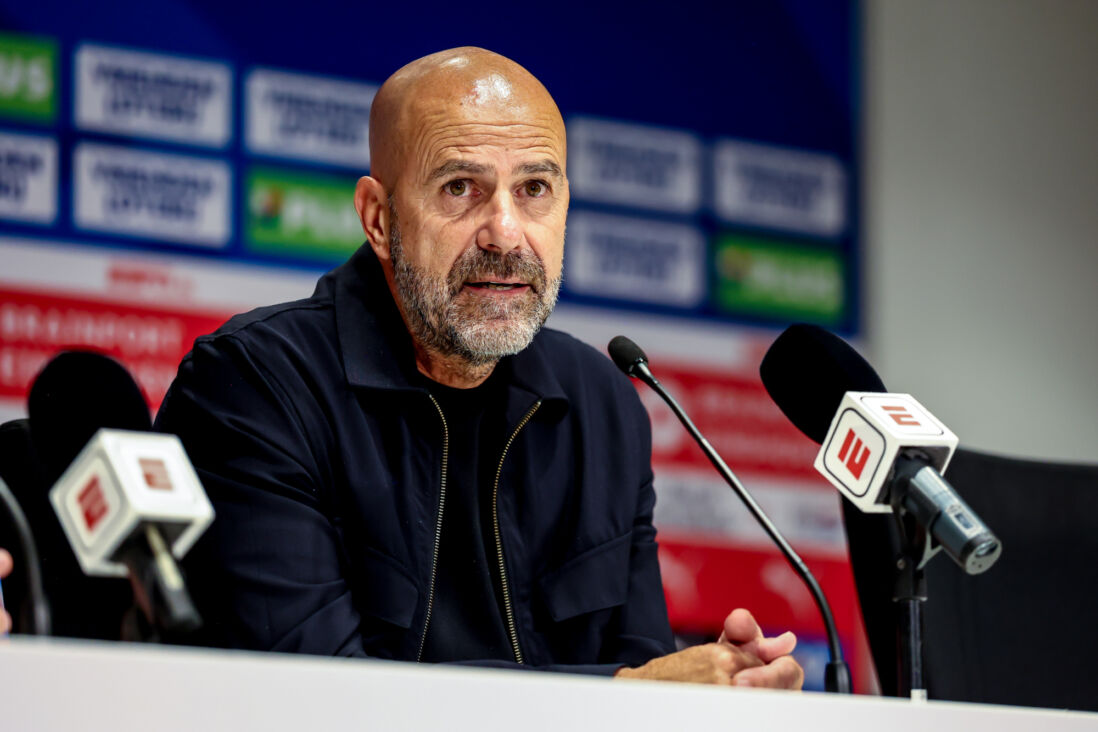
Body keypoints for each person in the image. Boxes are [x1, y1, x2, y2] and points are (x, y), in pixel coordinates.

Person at [156, 47, 803, 689]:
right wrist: (630, 695)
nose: (505, 232)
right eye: (460, 188)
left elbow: (641, 671)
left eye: (535, 190)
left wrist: (714, 698)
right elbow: (308, 694)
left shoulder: (602, 404)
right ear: (379, 219)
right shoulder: (254, 386)